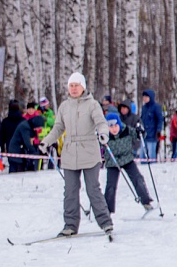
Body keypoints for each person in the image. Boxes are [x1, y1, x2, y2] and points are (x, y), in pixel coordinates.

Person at [38, 72, 114, 237]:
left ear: (83, 87)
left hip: (89, 151)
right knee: (70, 191)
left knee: (92, 188)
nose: (73, 89)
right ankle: (70, 225)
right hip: (70, 153)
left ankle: (105, 222)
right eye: (71, 86)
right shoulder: (64, 106)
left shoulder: (92, 105)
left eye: (76, 85)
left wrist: (103, 134)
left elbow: (101, 123)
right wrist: (46, 141)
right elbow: (58, 128)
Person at [102, 113, 154, 214]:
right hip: (113, 162)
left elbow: (139, 136)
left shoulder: (126, 130)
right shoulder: (105, 135)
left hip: (127, 159)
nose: (114, 129)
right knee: (111, 186)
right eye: (110, 127)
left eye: (116, 126)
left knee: (138, 178)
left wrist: (141, 132)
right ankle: (107, 210)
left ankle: (146, 202)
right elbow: (96, 142)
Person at [140, 89, 164, 160]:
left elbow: (160, 119)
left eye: (146, 97)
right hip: (144, 134)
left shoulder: (156, 107)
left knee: (151, 154)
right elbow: (141, 119)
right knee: (142, 154)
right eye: (143, 97)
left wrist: (158, 130)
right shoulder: (144, 107)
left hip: (152, 135)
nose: (144, 98)